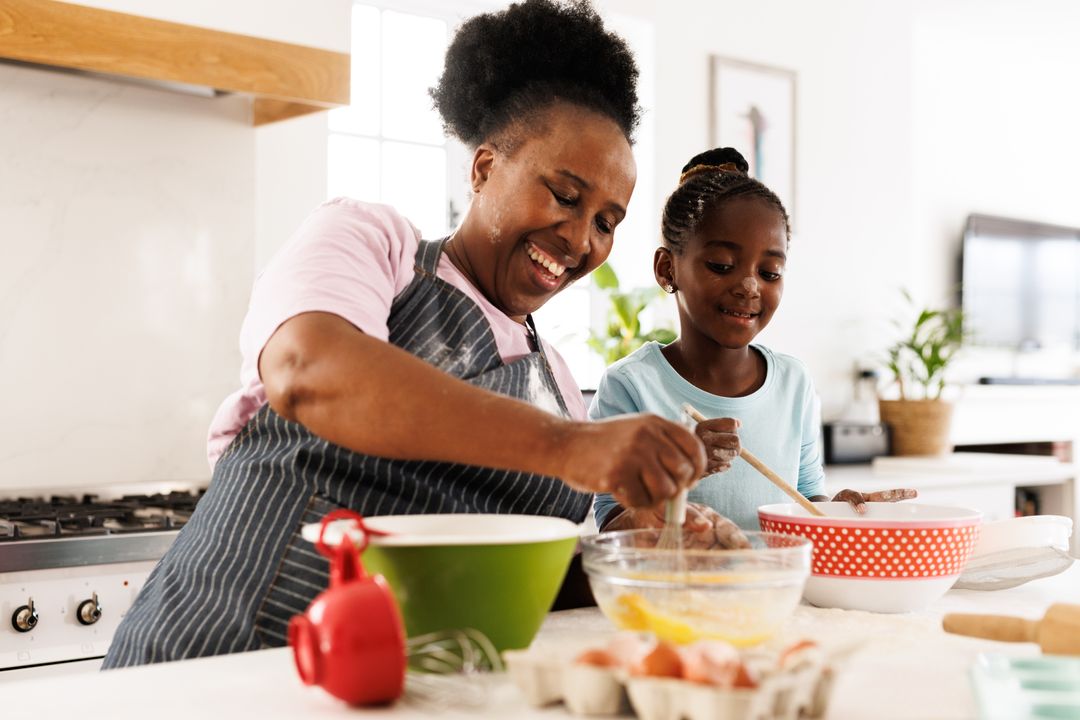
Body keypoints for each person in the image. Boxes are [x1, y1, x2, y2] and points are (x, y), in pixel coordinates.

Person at [102, 0, 712, 669]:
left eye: (607, 220)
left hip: (403, 693)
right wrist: (567, 447)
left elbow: (522, 579)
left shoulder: (560, 384)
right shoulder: (371, 243)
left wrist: (636, 553)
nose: (580, 239)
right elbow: (310, 370)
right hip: (218, 666)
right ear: (483, 169)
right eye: (565, 196)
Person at [591, 147, 916, 534]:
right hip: (676, 593)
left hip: (773, 593)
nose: (749, 286)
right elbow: (612, 527)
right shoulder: (630, 387)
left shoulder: (793, 383)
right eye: (722, 266)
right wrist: (678, 471)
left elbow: (807, 501)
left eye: (770, 272)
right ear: (667, 269)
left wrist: (837, 514)